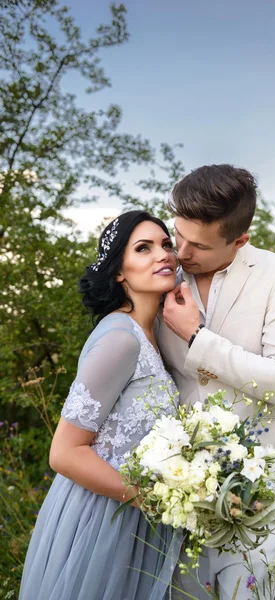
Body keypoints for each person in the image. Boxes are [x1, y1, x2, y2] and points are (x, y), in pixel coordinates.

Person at [159, 164, 275, 600]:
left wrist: (196, 337)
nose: (181, 252)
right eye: (178, 235)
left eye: (199, 245)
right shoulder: (162, 271)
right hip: (178, 485)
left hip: (260, 489)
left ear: (239, 240)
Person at [19, 210, 180, 600]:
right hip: (103, 516)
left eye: (166, 244)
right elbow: (64, 452)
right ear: (120, 272)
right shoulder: (120, 338)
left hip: (134, 516)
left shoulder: (154, 333)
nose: (163, 255)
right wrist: (150, 497)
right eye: (143, 248)